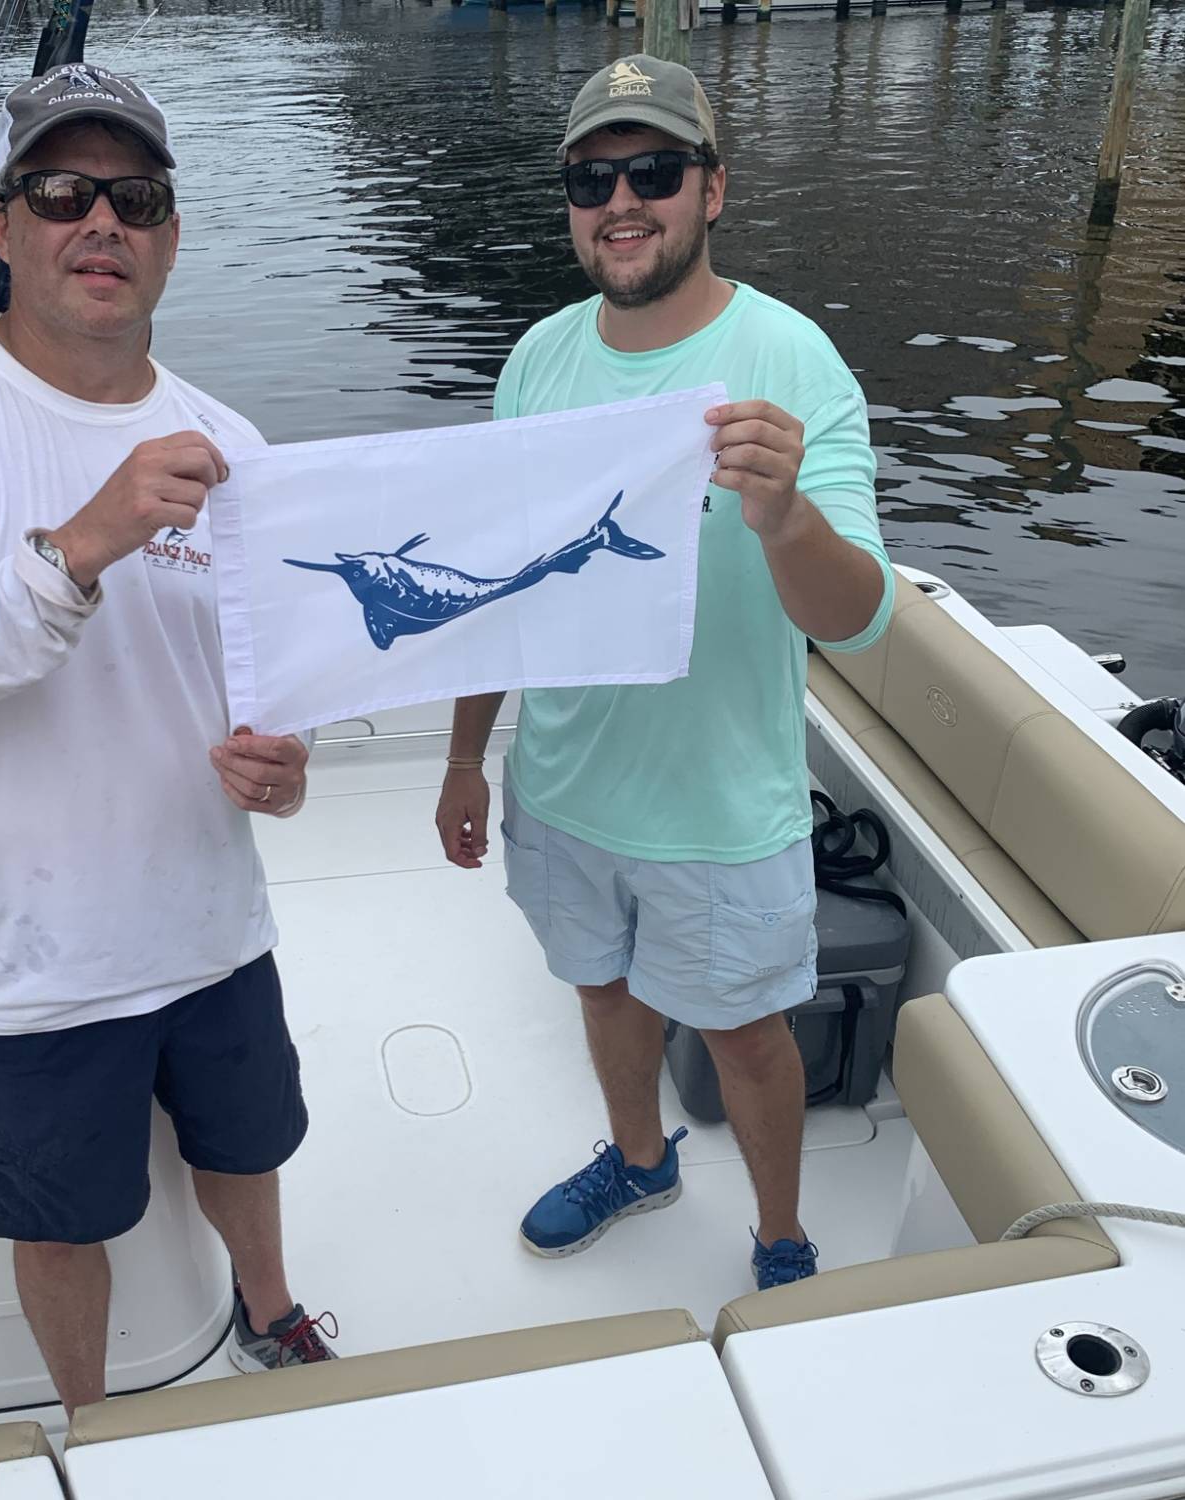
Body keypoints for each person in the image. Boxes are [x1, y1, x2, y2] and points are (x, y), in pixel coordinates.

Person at [0, 64, 337, 1416]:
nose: (97, 221)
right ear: (4, 224)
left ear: (169, 235)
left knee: (246, 1144)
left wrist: (281, 767)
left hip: (212, 919)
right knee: (59, 1219)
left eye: (134, 196)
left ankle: (271, 1313)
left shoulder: (233, 443)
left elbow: (263, 691)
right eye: (60, 191)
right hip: (30, 950)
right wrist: (84, 543)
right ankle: (96, 1424)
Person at [435, 55, 894, 1291]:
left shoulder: (791, 361)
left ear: (712, 189)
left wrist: (788, 515)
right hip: (568, 785)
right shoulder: (536, 358)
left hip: (720, 806)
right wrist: (466, 756)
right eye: (594, 176)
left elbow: (854, 620)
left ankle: (783, 1236)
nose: (621, 200)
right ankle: (640, 1161)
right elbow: (497, 583)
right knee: (600, 986)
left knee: (748, 1035)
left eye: (653, 170)